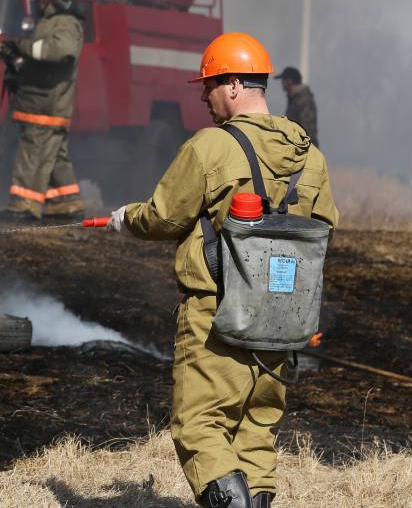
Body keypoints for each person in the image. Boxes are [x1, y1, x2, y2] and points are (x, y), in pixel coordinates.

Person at [104, 32, 337, 508]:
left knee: (198, 424)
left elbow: (165, 215)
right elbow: (323, 227)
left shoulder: (211, 146)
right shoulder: (310, 156)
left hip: (218, 314)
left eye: (208, 84)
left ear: (233, 85)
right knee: (255, 428)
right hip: (284, 317)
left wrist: (126, 218)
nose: (202, 95)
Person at [0, 0, 86, 221]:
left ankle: (24, 206)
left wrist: (21, 47)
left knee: (32, 153)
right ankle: (66, 203)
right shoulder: (49, 23)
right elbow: (39, 60)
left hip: (45, 105)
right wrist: (15, 61)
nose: (40, 1)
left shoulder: (66, 24)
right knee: (55, 155)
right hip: (39, 101)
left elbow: (61, 52)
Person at [275, 66, 318, 147]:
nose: (281, 83)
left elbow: (308, 129)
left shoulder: (303, 99)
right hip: (299, 147)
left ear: (289, 81)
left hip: (305, 149)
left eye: (283, 80)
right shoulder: (294, 97)